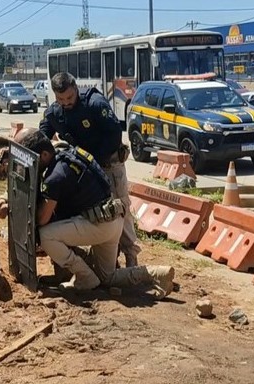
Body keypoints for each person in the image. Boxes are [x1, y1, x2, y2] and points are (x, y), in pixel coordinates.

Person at [22, 130, 174, 298]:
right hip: (112, 221)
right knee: (108, 277)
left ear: (44, 154)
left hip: (99, 225)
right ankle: (157, 273)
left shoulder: (55, 176)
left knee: (46, 235)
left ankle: (85, 276)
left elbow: (43, 219)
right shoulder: (67, 153)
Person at [39, 72, 141, 268]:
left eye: (69, 97)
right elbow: (42, 135)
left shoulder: (94, 104)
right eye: (60, 99)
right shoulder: (55, 113)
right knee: (94, 212)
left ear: (76, 89)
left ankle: (131, 255)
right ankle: (104, 257)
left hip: (108, 163)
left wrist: (92, 159)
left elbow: (113, 136)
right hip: (83, 171)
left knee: (121, 209)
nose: (66, 102)